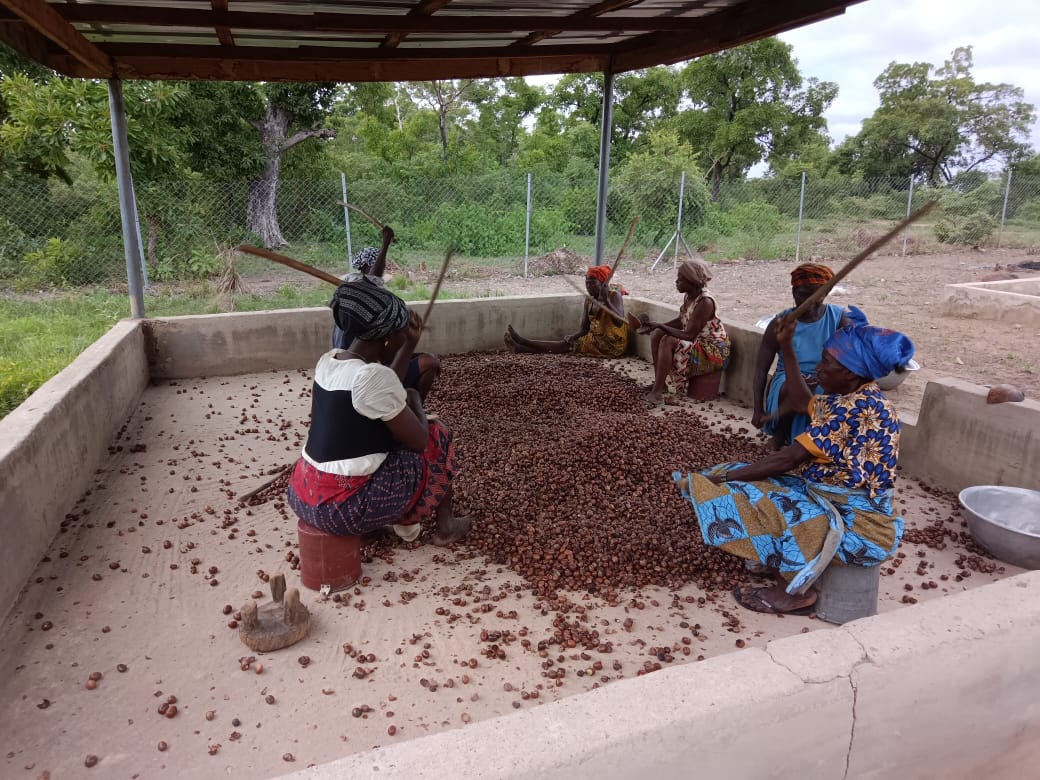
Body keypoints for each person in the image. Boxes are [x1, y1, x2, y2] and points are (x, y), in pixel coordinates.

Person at [672, 316, 915, 615]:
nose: (819, 368)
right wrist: (786, 345)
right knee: (746, 481)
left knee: (746, 496)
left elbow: (787, 459)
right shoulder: (852, 395)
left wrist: (725, 480)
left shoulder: (855, 408)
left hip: (857, 520)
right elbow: (802, 400)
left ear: (852, 372)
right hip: (828, 493)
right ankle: (777, 558)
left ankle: (794, 592)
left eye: (827, 363)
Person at [289, 282, 472, 546]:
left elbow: (383, 384)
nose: (401, 341)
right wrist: (416, 399)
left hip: (304, 495)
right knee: (436, 434)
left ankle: (373, 522)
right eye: (400, 335)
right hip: (340, 511)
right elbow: (418, 440)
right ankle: (445, 526)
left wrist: (408, 344)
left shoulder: (329, 361)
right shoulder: (370, 378)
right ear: (386, 338)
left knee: (387, 436)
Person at [330, 225, 441, 400]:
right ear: (367, 265)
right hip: (367, 373)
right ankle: (408, 405)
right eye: (378, 264)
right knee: (429, 362)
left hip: (361, 365)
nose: (382, 270)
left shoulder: (353, 295)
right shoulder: (362, 294)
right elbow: (386, 358)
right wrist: (386, 243)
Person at [752, 263, 851, 449]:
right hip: (786, 377)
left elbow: (850, 361)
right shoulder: (780, 323)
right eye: (803, 294)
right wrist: (758, 408)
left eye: (816, 296)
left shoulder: (839, 319)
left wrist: (823, 377)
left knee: (827, 395)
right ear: (793, 292)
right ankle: (780, 435)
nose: (808, 303)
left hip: (826, 377)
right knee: (793, 386)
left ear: (826, 294)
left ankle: (816, 440)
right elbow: (761, 368)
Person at [641, 260, 730, 405]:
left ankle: (656, 394)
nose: (676, 282)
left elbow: (689, 335)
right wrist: (656, 327)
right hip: (698, 342)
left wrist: (661, 326)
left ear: (692, 280)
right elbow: (682, 320)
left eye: (681, 279)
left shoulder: (705, 302)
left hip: (713, 350)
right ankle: (660, 385)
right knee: (657, 334)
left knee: (668, 340)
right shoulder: (689, 297)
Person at [504, 265, 628, 357]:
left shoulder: (613, 296)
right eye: (586, 283)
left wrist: (606, 300)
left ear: (603, 284)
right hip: (595, 340)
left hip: (613, 345)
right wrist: (573, 336)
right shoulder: (589, 300)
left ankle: (522, 342)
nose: (588, 287)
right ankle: (521, 347)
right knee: (567, 343)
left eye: (592, 283)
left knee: (565, 346)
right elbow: (584, 329)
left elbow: (619, 322)